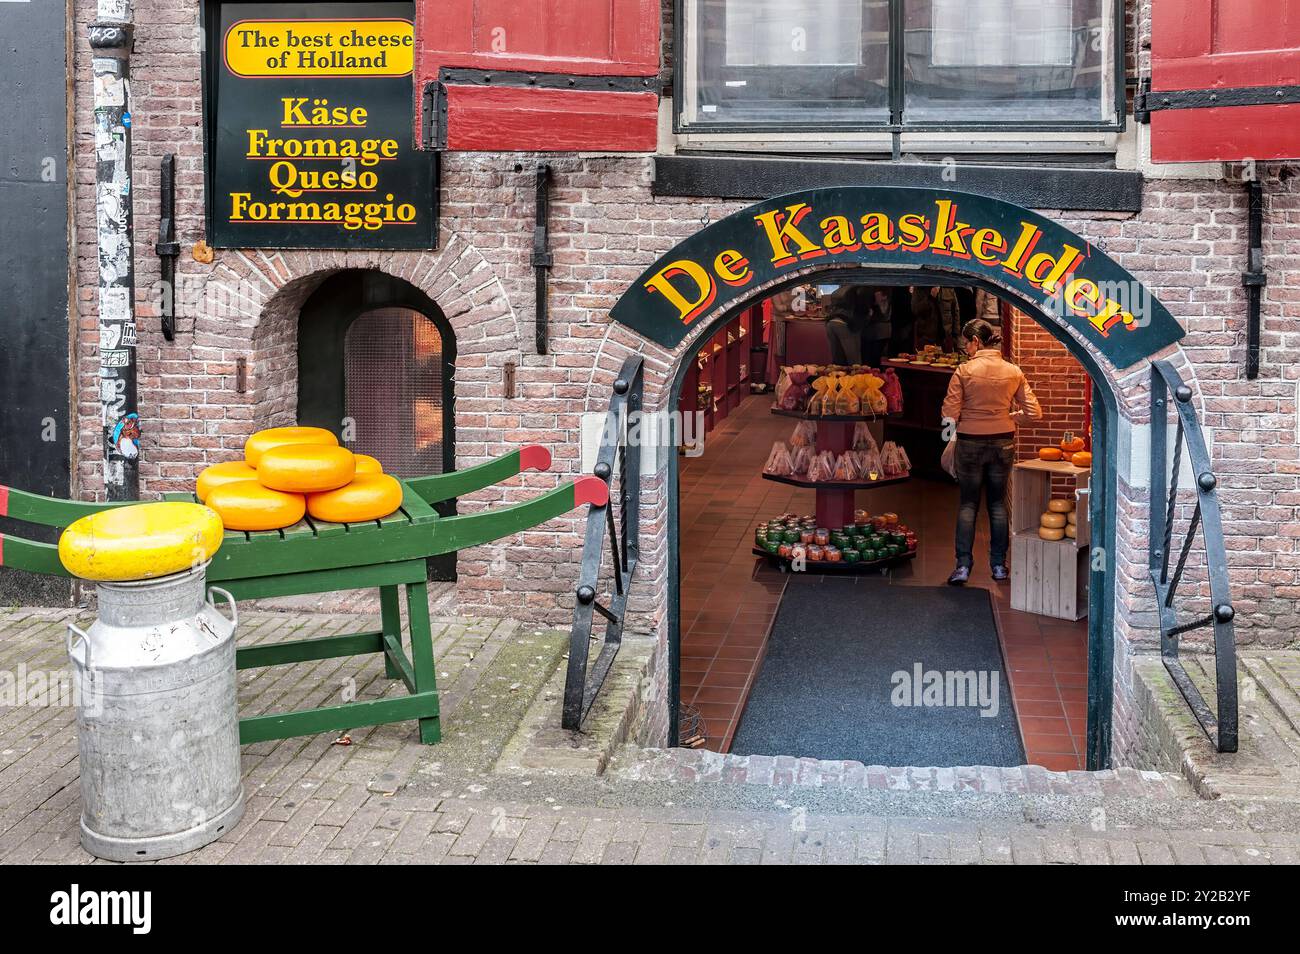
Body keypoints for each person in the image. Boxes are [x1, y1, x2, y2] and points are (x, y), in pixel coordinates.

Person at [940, 319, 1042, 586]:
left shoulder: (963, 371)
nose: (965, 347)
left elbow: (949, 414)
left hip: (970, 441)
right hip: (1003, 441)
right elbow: (1034, 413)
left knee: (968, 504)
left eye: (966, 342)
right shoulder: (1013, 371)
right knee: (997, 504)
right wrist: (1010, 416)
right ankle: (999, 565)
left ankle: (963, 566)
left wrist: (949, 439)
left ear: (976, 341)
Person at [864, 287, 894, 367]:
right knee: (878, 356)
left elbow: (876, 314)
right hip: (885, 329)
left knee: (874, 357)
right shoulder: (888, 295)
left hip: (877, 331)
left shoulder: (877, 295)